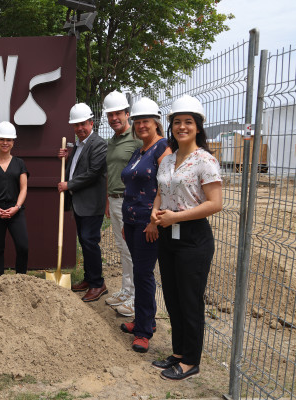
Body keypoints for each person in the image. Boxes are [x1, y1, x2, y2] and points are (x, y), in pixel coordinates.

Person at [151, 95, 222, 381]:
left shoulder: (205, 160)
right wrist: (155, 214)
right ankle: (178, 352)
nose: (182, 127)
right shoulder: (167, 159)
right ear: (171, 126)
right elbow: (160, 191)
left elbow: (215, 203)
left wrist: (175, 218)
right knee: (173, 296)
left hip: (193, 237)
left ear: (198, 126)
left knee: (190, 300)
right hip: (168, 234)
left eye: (188, 122)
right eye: (177, 122)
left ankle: (191, 360)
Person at [120, 97, 171, 353]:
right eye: (137, 121)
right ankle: (144, 320)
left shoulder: (163, 149)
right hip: (131, 222)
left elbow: (167, 187)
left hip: (147, 224)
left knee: (143, 274)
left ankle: (143, 332)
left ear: (156, 123)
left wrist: (155, 220)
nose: (141, 125)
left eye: (146, 121)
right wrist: (125, 222)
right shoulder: (139, 151)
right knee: (140, 274)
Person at [58, 103, 108, 302]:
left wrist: (68, 185)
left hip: (91, 204)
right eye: (76, 125)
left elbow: (93, 173)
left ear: (91, 122)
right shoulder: (78, 144)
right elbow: (78, 168)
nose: (79, 128)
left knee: (90, 241)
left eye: (83, 124)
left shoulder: (98, 144)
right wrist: (68, 158)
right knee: (85, 242)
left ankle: (98, 284)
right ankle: (89, 278)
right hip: (80, 204)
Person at [102, 91, 142, 316]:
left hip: (130, 202)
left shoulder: (136, 138)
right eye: (110, 114)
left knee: (133, 249)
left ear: (127, 114)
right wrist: (108, 199)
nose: (114, 118)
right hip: (115, 200)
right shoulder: (113, 141)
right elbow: (111, 172)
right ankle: (127, 290)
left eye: (118, 113)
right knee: (122, 248)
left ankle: (137, 296)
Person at [0, 121, 29, 277]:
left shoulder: (19, 163)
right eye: (1, 139)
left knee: (23, 246)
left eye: (8, 140)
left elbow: (23, 188)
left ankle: (21, 278)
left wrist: (17, 207)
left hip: (16, 211)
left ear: (13, 142)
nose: (5, 143)